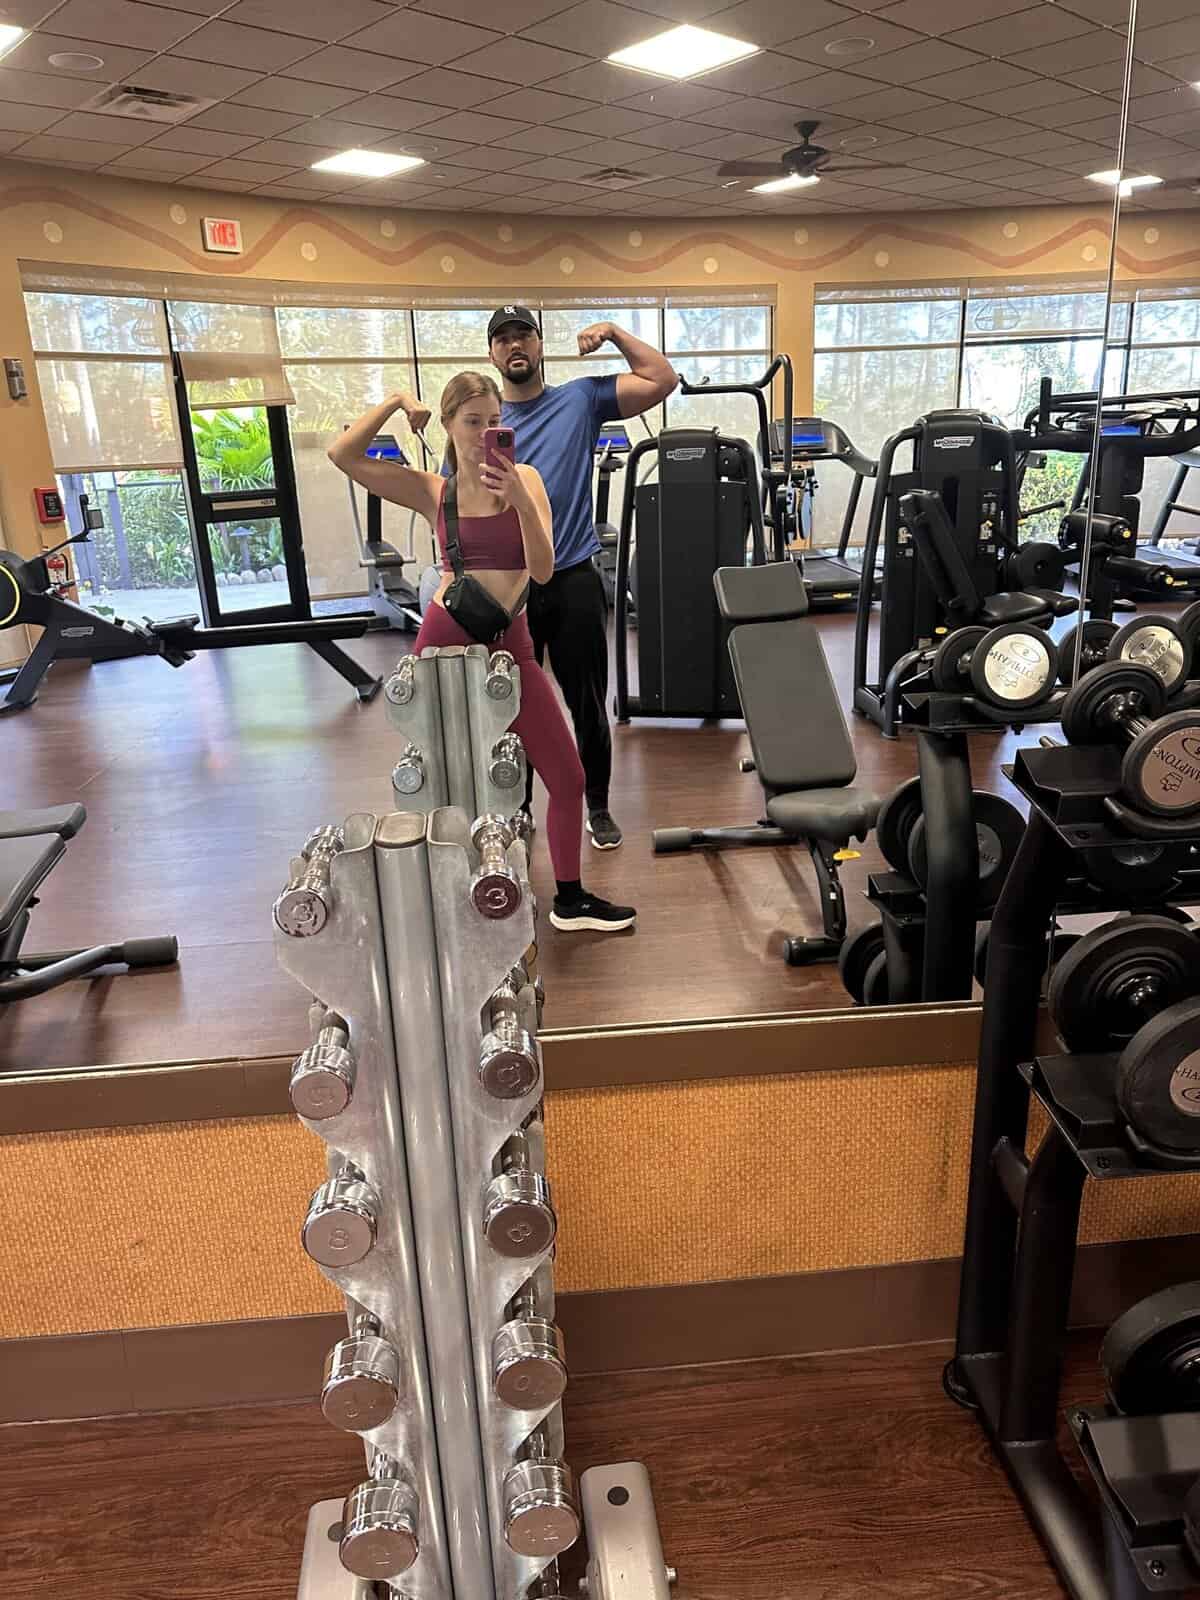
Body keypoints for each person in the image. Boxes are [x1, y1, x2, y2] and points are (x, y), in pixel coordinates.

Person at [328, 372, 636, 934]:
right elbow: (342, 454)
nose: (486, 432)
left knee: (566, 776)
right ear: (448, 425)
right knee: (446, 781)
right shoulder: (433, 490)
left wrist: (518, 500)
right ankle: (449, 899)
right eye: (473, 421)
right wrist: (398, 401)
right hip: (445, 643)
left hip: (510, 645)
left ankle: (568, 900)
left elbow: (542, 569)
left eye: (496, 421)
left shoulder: (529, 480)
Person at [406, 307, 675, 852]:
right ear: (491, 354)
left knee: (585, 700)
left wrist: (615, 333)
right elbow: (453, 507)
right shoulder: (477, 419)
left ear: (539, 342)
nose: (513, 345)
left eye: (522, 334)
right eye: (501, 339)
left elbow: (662, 379)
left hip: (570, 572)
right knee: (513, 707)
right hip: (510, 591)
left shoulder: (579, 400)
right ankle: (521, 810)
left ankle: (595, 804)